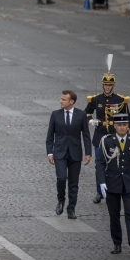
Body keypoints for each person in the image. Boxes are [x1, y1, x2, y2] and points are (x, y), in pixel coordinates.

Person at [96, 113, 130, 255]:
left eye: (125, 125)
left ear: (128, 126)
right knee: (114, 215)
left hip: (129, 182)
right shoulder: (107, 141)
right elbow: (100, 163)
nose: (122, 127)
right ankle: (117, 243)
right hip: (112, 183)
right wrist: (101, 182)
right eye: (119, 125)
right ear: (114, 126)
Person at [85, 62, 130, 204]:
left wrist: (124, 133)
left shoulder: (120, 100)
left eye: (109, 85)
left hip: (115, 136)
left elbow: (128, 119)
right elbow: (86, 113)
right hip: (100, 136)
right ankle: (99, 192)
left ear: (113, 86)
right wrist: (91, 121)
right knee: (100, 165)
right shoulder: (96, 99)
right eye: (105, 85)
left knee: (115, 165)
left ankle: (114, 190)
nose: (107, 87)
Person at [45, 90, 91, 219]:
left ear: (72, 102)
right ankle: (61, 199)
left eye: (64, 99)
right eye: (61, 99)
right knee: (61, 178)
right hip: (59, 152)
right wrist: (50, 152)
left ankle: (71, 209)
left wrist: (88, 153)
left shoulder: (81, 115)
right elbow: (50, 136)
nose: (61, 101)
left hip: (75, 153)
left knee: (73, 182)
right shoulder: (55, 115)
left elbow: (86, 135)